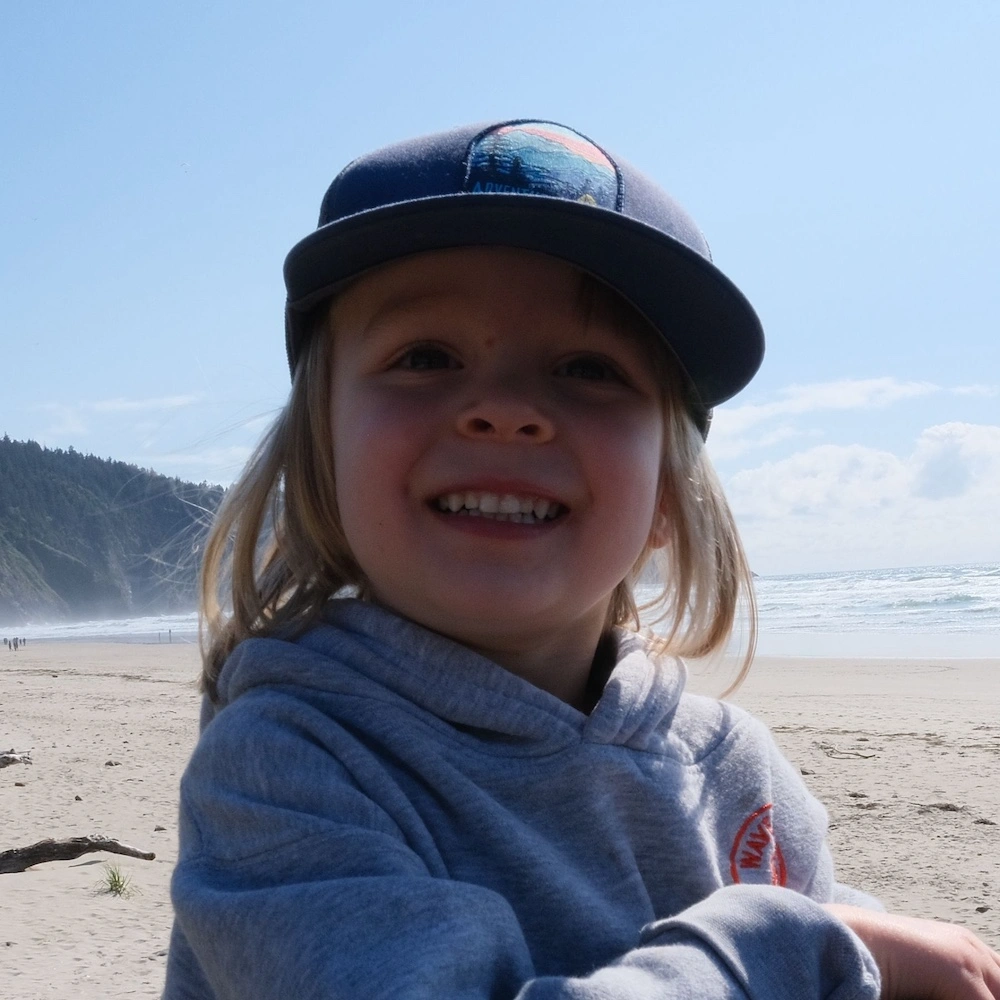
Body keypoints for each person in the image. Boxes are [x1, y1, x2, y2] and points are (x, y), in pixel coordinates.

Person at [164, 120, 1000, 999]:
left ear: (667, 501)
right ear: (320, 456)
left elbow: (843, 950)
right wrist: (792, 943)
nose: (505, 409)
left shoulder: (732, 769)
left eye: (589, 369)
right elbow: (807, 947)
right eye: (425, 356)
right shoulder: (288, 763)